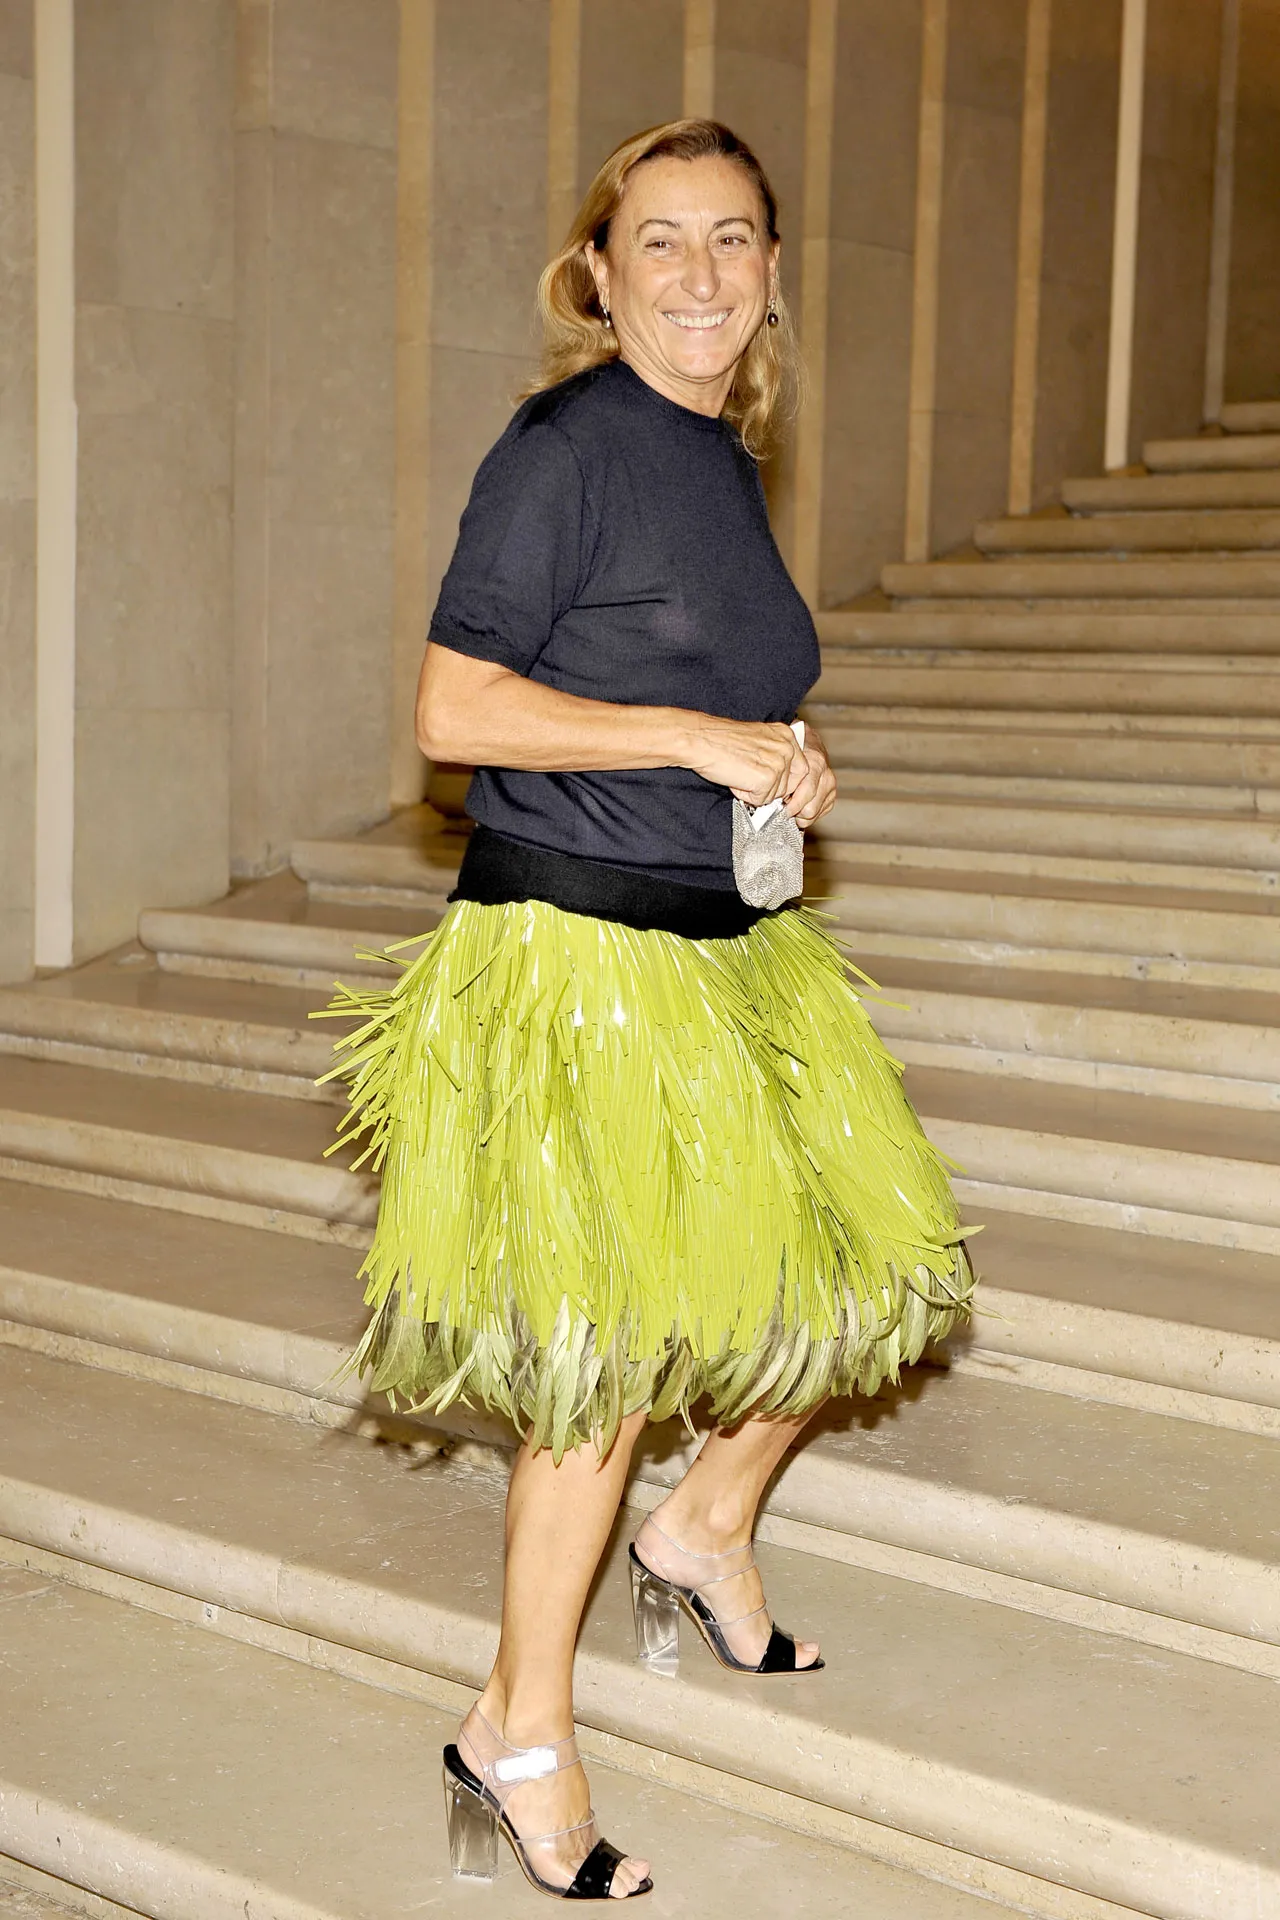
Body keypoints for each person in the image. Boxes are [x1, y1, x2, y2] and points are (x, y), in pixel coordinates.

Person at [322, 118, 973, 1904]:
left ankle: (702, 1527)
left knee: (871, 1269)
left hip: (728, 943)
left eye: (733, 237)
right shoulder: (567, 448)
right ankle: (519, 1728)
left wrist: (783, 755)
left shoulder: (718, 457)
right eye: (660, 241)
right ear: (598, 277)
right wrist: (688, 737)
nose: (700, 273)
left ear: (771, 271)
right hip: (578, 958)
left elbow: (700, 682)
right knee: (599, 1373)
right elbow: (456, 709)